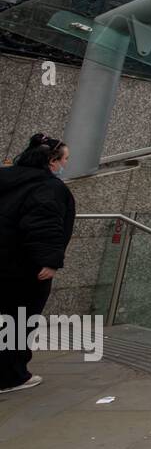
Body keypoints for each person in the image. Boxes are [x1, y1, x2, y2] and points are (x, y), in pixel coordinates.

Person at [0, 133, 76, 393]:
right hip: (23, 267)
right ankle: (10, 375)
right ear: (52, 161)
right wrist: (49, 261)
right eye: (64, 159)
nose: (65, 165)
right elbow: (43, 225)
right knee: (19, 319)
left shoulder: (5, 177)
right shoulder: (48, 187)